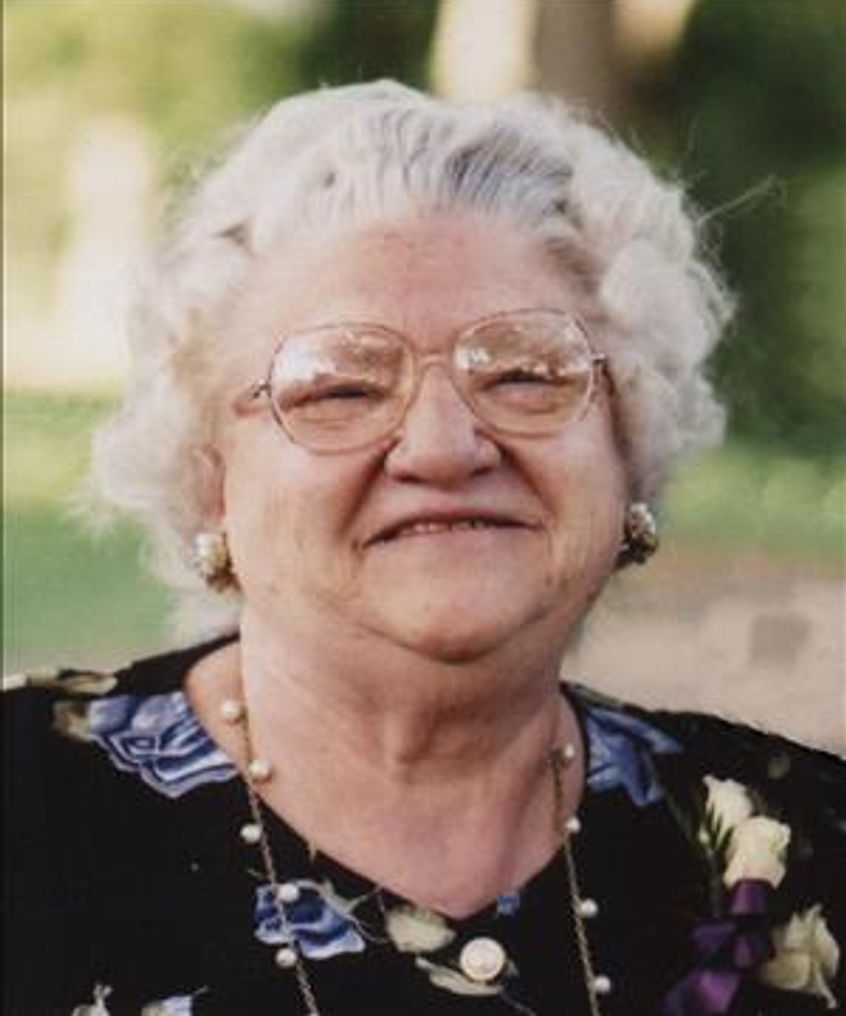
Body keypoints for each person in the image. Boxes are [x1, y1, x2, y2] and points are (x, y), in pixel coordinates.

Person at [4, 80, 843, 1016]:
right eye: (341, 389)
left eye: (526, 374)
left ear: (627, 448)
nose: (444, 447)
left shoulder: (803, 850)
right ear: (210, 480)